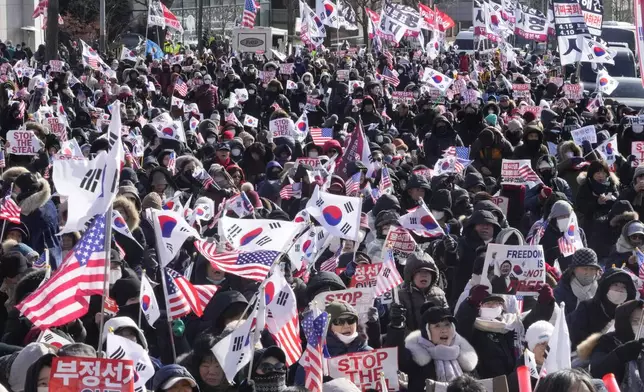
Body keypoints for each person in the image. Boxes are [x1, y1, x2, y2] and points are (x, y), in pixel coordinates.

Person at [402, 306, 478, 389]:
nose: (444, 330)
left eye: (447, 325)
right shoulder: (415, 356)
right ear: (427, 332)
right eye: (437, 326)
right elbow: (397, 357)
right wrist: (396, 328)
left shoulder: (463, 356)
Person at [554, 248, 602, 315]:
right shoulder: (562, 289)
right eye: (585, 268)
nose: (588, 272)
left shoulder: (602, 288)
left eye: (592, 269)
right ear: (574, 269)